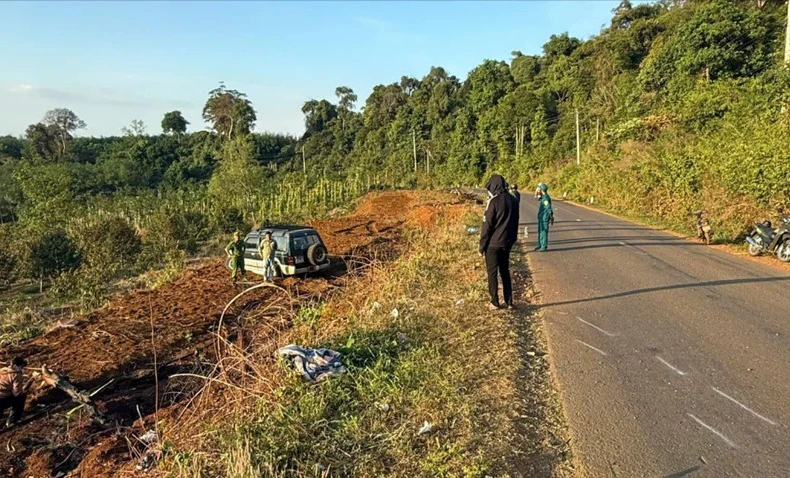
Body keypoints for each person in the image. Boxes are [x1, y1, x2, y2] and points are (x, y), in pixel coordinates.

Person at [479, 174, 519, 310]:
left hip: (492, 245)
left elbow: (487, 226)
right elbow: (515, 223)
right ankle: (509, 302)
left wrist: (481, 246)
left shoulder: (494, 202)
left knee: (492, 273)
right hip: (506, 244)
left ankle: (495, 302)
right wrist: (512, 241)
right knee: (505, 272)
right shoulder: (513, 201)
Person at [0, 357, 28, 428]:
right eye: (21, 367)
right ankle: (13, 420)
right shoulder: (16, 375)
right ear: (15, 366)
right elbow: (17, 393)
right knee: (21, 397)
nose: (21, 369)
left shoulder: (2, 370)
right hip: (2, 399)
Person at [535, 183, 554, 251]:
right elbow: (537, 197)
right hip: (541, 217)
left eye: (539, 189)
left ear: (542, 190)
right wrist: (537, 194)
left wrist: (551, 215)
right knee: (540, 231)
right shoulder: (543, 197)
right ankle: (540, 244)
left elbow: (548, 206)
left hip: (544, 217)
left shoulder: (545, 198)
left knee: (543, 232)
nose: (538, 190)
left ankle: (543, 246)